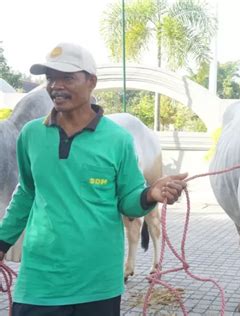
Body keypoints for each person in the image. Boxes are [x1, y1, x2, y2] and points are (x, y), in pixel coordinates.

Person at [0, 42, 187, 316]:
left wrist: (151, 194)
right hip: (40, 282)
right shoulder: (31, 135)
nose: (56, 86)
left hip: (99, 284)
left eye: (67, 77)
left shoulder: (118, 140)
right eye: (50, 78)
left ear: (91, 82)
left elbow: (129, 202)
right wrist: (3, 242)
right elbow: (26, 192)